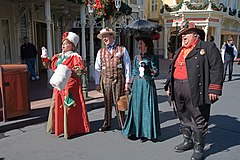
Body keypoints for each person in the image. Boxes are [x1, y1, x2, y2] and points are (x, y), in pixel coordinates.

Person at [164, 21, 223, 160]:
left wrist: (214, 89)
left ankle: (199, 148)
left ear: (195, 35)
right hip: (178, 87)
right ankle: (187, 141)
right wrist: (169, 86)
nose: (182, 37)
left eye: (186, 34)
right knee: (183, 115)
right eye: (181, 35)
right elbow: (171, 69)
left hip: (197, 89)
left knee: (199, 118)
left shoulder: (208, 47)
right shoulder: (179, 50)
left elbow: (217, 68)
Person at [41, 31, 90, 139]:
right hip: (58, 86)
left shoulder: (75, 56)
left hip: (70, 85)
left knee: (69, 106)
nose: (63, 45)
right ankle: (58, 127)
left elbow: (80, 70)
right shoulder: (58, 56)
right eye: (63, 42)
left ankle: (71, 129)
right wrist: (44, 57)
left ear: (72, 45)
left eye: (66, 43)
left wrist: (77, 70)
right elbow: (48, 65)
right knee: (56, 104)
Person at [121, 33, 161, 142]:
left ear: (147, 45)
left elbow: (156, 72)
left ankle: (147, 133)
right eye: (138, 43)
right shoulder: (136, 57)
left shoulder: (153, 57)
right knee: (136, 108)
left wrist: (149, 69)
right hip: (138, 85)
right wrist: (129, 83)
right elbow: (134, 71)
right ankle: (135, 131)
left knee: (147, 108)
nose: (139, 45)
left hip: (147, 85)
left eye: (141, 43)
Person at [94, 28, 131, 132]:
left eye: (107, 36)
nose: (105, 38)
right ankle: (107, 123)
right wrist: (97, 82)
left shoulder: (122, 49)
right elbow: (97, 68)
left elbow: (127, 66)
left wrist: (127, 81)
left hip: (119, 79)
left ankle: (122, 123)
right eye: (103, 37)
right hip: (106, 79)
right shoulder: (101, 52)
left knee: (119, 101)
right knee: (107, 102)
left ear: (112, 37)